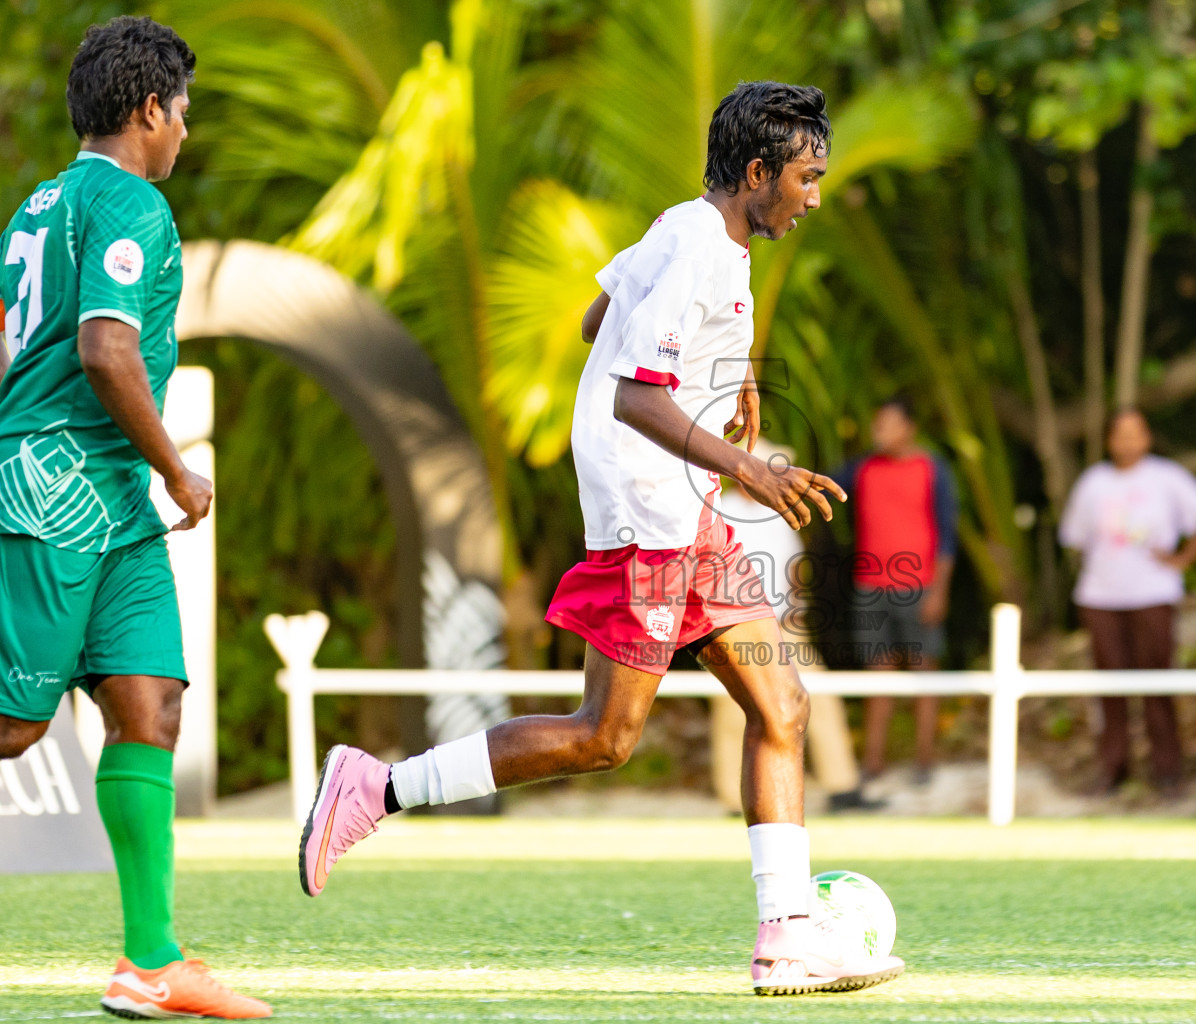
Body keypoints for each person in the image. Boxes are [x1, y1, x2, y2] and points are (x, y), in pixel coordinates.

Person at [297, 81, 904, 993]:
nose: (813, 197)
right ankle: (376, 788)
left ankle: (786, 936)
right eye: (806, 179)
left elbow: (599, 320)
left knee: (782, 707)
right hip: (655, 520)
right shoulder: (702, 251)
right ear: (756, 173)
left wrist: (724, 374)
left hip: (683, 514)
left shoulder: (692, 230)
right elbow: (632, 390)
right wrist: (752, 469)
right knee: (605, 737)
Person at [0, 18, 270, 1019]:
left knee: (150, 700)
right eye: (184, 114)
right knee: (17, 727)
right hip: (61, 492)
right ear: (150, 108)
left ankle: (151, 961)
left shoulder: (33, 210)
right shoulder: (132, 205)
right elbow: (107, 347)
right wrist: (180, 472)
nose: (186, 134)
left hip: (106, 504)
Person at [1058, 408, 1196, 795]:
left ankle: (1167, 770)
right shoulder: (1094, 482)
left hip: (1153, 593)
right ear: (1108, 441)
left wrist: (1182, 559)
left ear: (1147, 438)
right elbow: (1075, 538)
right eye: (1120, 434)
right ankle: (1112, 768)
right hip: (1102, 597)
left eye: (1135, 433)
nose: (1127, 441)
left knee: (1157, 682)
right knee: (1109, 686)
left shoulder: (1166, 477)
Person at [710, 443, 875, 814]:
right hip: (733, 621)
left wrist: (796, 608)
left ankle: (842, 786)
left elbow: (793, 568)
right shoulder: (721, 510)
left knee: (817, 695)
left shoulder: (776, 514)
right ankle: (732, 797)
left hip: (783, 623)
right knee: (732, 708)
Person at [838, 397, 958, 786]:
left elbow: (947, 534)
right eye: (878, 425)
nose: (880, 432)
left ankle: (925, 762)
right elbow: (817, 485)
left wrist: (939, 591)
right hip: (870, 587)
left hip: (920, 585)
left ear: (909, 428)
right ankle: (873, 763)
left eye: (888, 424)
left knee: (924, 671)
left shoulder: (932, 468)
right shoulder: (860, 470)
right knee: (878, 672)